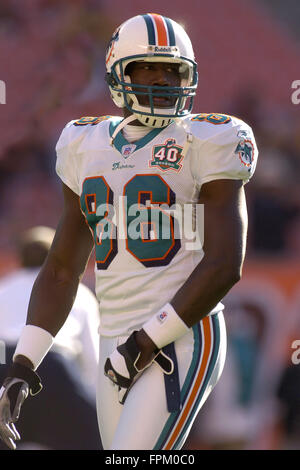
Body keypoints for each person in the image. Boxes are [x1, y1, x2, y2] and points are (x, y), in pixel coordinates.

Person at [0, 13, 258, 450]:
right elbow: (62, 269)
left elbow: (223, 264)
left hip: (181, 332)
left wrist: (147, 340)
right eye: (147, 68)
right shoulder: (85, 144)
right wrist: (23, 365)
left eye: (172, 70)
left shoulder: (209, 140)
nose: (161, 80)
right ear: (119, 76)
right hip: (113, 336)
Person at [0, 226, 101, 449]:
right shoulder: (78, 294)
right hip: (55, 366)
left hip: (6, 366)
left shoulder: (3, 288)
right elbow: (93, 358)